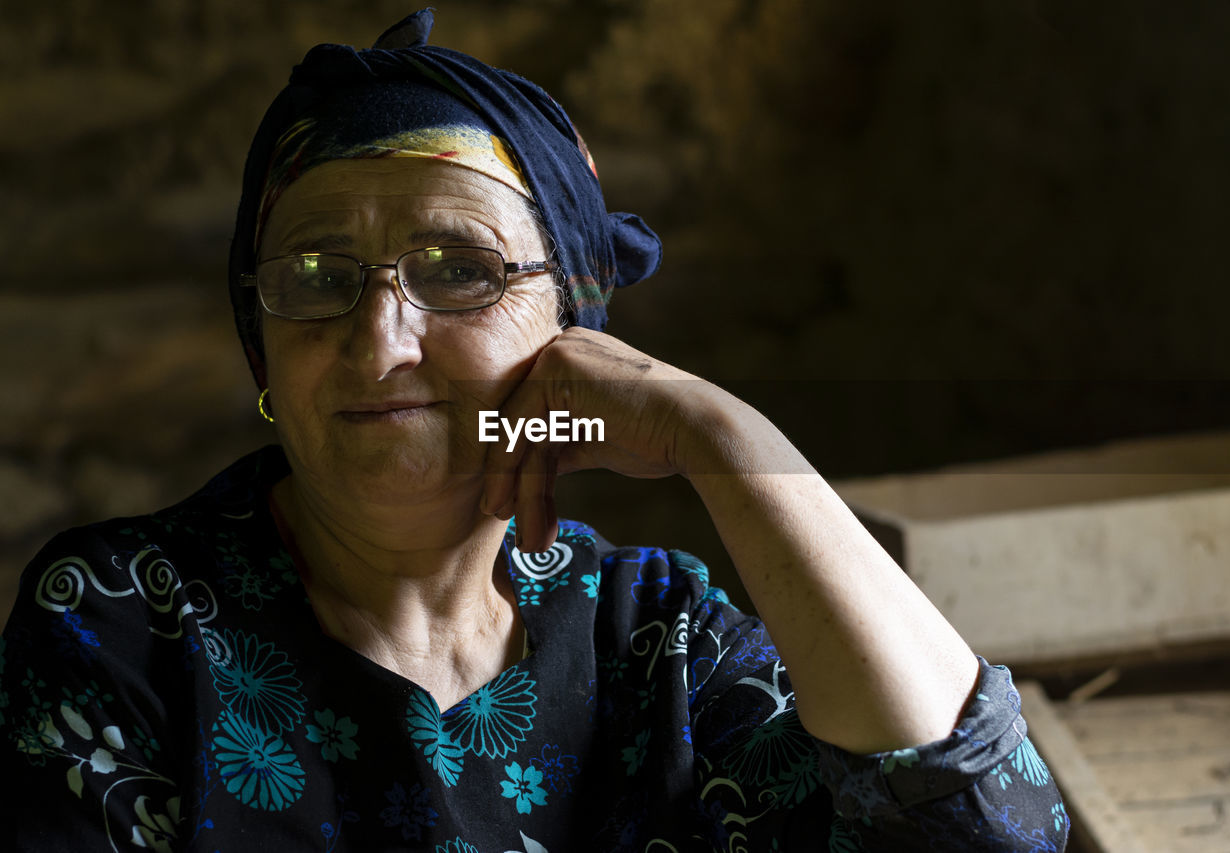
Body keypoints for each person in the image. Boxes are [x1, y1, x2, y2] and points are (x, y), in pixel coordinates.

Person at [1, 10, 1069, 851]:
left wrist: (724, 438)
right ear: (259, 342)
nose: (378, 346)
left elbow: (987, 826)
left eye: (458, 272)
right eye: (317, 278)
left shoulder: (656, 641)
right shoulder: (124, 626)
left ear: (572, 330)